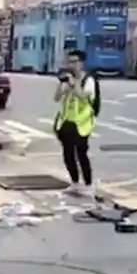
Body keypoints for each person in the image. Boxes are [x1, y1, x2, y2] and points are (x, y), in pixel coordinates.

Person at [53, 50, 96, 197]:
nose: (72, 65)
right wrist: (61, 83)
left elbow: (84, 97)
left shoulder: (88, 80)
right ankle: (75, 183)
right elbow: (57, 98)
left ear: (81, 63)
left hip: (82, 124)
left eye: (75, 62)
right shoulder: (68, 79)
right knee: (68, 154)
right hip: (66, 122)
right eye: (70, 62)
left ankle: (89, 184)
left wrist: (73, 84)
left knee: (81, 154)